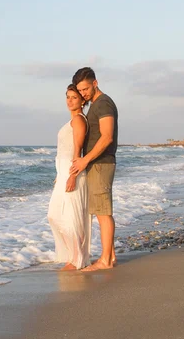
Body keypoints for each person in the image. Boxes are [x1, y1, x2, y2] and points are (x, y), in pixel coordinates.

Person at [69, 67, 118, 271]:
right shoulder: (96, 105)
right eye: (80, 91)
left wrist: (84, 160)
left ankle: (105, 261)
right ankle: (111, 256)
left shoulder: (103, 103)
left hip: (101, 164)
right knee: (101, 210)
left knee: (103, 213)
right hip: (97, 164)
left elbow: (107, 137)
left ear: (95, 83)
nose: (83, 94)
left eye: (85, 89)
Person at [48, 84, 91, 270]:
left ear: (83, 100)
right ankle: (73, 257)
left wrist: (72, 176)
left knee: (70, 217)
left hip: (72, 172)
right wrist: (60, 174)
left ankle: (77, 259)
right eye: (67, 97)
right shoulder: (72, 121)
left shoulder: (79, 120)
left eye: (74, 97)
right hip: (64, 172)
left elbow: (77, 151)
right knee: (54, 216)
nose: (70, 100)